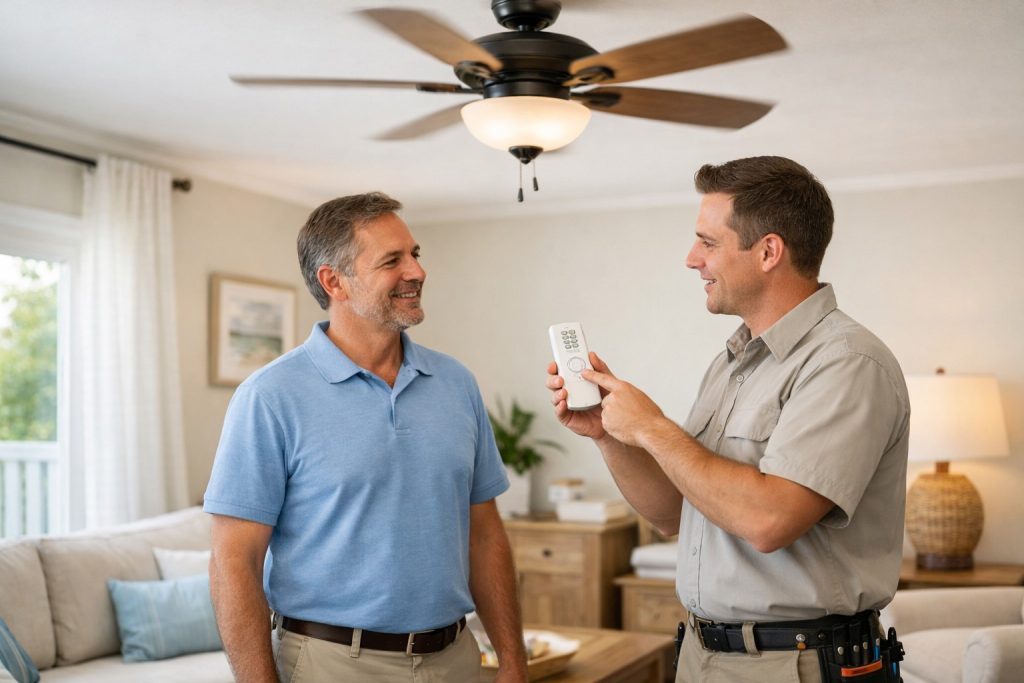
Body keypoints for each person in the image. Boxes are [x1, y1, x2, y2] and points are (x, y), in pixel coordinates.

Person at [546, 157, 910, 683]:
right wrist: (610, 436)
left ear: (768, 252)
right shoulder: (732, 364)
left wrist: (652, 427)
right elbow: (674, 514)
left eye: (708, 242)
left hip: (799, 664)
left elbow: (770, 521)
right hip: (704, 655)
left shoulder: (847, 362)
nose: (691, 259)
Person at [205, 192, 528, 683]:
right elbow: (234, 561)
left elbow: (484, 534)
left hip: (457, 660)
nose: (417, 271)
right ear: (333, 281)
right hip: (332, 665)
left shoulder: (456, 383)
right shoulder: (269, 397)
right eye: (391, 261)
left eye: (414, 254)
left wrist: (513, 660)